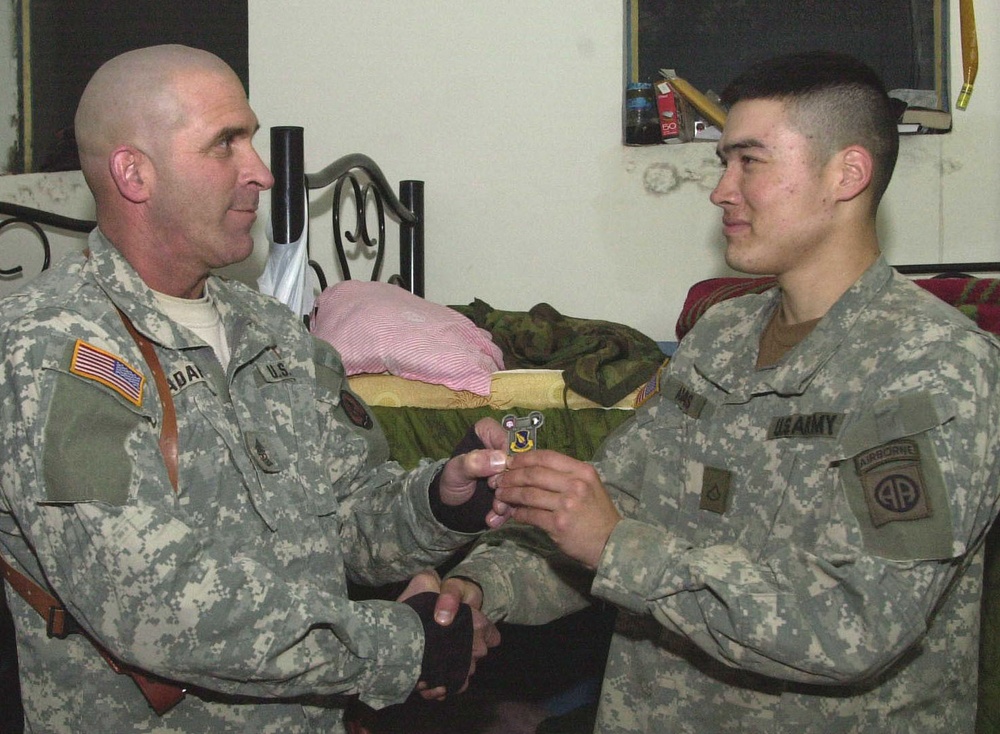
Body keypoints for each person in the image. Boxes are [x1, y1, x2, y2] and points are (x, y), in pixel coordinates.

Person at [436, 51, 1000, 732]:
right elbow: (607, 505)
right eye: (723, 162)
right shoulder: (721, 334)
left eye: (750, 161)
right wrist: (477, 588)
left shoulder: (934, 365)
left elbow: (859, 622)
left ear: (847, 174)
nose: (721, 190)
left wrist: (619, 547)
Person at [0, 44, 510, 734]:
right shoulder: (53, 347)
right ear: (134, 174)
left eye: (253, 138)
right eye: (225, 145)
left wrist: (440, 501)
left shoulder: (270, 331)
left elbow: (349, 521)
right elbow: (158, 607)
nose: (262, 173)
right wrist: (406, 645)